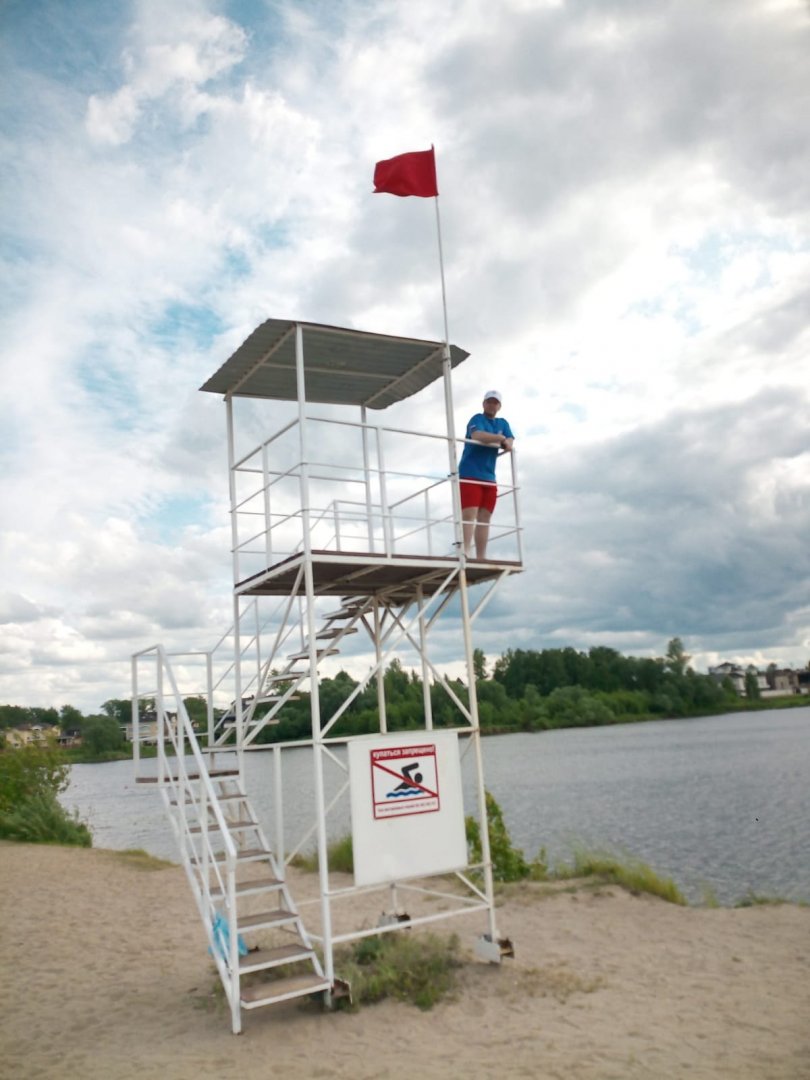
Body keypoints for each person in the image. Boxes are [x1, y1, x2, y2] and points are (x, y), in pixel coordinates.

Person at [457, 390, 514, 560]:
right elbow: (478, 435)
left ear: (499, 406)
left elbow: (510, 442)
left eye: (495, 402)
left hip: (489, 476)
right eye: (489, 402)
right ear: (484, 404)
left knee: (485, 516)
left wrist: (504, 440)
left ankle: (481, 556)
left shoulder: (502, 422)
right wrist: (500, 438)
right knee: (469, 514)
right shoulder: (477, 419)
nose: (492, 405)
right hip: (470, 472)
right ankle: (466, 552)